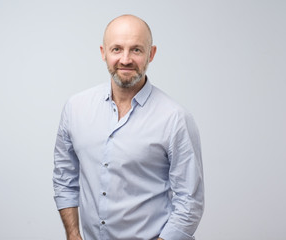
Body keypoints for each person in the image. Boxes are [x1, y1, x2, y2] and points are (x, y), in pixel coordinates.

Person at [53, 14, 204, 240]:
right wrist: (73, 234)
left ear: (151, 54)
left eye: (136, 50)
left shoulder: (175, 119)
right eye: (116, 49)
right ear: (103, 52)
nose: (125, 59)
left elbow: (190, 201)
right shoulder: (75, 108)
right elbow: (65, 177)